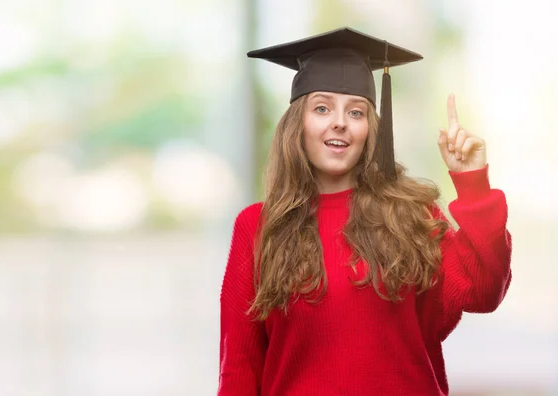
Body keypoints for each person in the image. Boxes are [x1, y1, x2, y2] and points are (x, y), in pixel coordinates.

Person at [218, 27, 512, 396]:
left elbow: (484, 291)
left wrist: (472, 182)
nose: (339, 121)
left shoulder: (411, 215)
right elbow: (240, 369)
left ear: (370, 129)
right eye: (322, 108)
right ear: (298, 124)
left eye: (355, 111)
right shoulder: (259, 226)